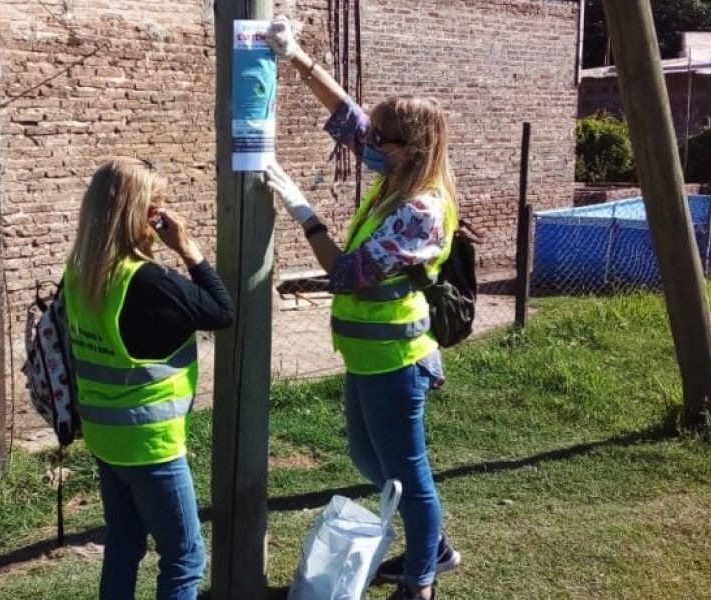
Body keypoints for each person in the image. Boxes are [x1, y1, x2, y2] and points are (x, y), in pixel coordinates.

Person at [265, 16, 461, 600]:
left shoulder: (421, 208)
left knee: (408, 474)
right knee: (363, 455)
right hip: (366, 352)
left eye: (381, 140)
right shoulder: (397, 175)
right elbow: (351, 113)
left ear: (412, 149)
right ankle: (432, 541)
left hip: (396, 358)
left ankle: (423, 577)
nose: (367, 144)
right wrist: (296, 56)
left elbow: (346, 273)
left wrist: (302, 210)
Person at [63, 157, 234, 600]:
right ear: (134, 214)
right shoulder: (148, 282)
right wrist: (188, 248)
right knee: (185, 557)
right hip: (150, 443)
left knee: (123, 543)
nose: (161, 219)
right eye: (156, 209)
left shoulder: (80, 273)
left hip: (105, 435)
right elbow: (221, 311)